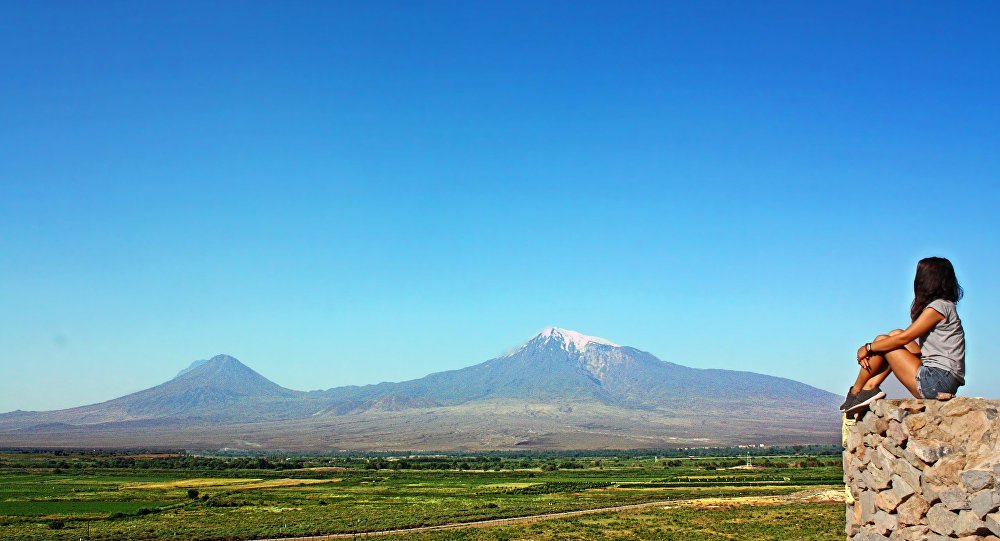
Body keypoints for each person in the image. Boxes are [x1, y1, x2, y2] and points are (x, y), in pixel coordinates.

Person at [841, 257, 965, 414]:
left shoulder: (938, 307)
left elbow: (904, 339)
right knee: (894, 334)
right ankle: (867, 389)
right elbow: (901, 336)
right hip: (942, 379)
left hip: (936, 381)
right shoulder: (945, 306)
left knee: (886, 341)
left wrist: (867, 348)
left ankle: (857, 391)